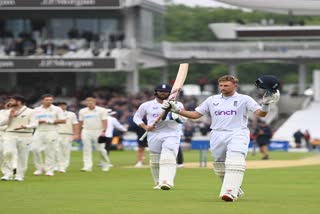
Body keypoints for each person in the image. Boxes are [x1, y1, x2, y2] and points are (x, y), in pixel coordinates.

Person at [162, 75, 280, 201]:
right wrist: (177, 110)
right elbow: (195, 115)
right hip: (217, 134)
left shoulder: (244, 99)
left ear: (235, 86)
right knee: (219, 165)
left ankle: (229, 192)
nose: (223, 88)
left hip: (237, 132)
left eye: (226, 85)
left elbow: (260, 114)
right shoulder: (212, 100)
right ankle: (235, 188)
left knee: (235, 160)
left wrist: (266, 104)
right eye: (221, 85)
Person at [133, 83, 184, 190]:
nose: (163, 93)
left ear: (170, 93)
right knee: (155, 159)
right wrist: (145, 126)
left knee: (168, 156)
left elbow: (181, 120)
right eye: (160, 91)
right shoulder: (146, 105)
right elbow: (136, 118)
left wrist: (172, 111)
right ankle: (157, 182)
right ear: (156, 92)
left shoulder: (178, 105)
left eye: (165, 92)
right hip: (154, 134)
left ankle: (166, 181)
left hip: (172, 134)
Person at [30, 94, 66, 176]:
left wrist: (51, 121)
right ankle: (39, 168)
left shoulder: (57, 109)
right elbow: (32, 121)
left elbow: (63, 121)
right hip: (39, 131)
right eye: (47, 100)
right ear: (42, 101)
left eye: (50, 100)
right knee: (35, 149)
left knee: (50, 151)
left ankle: (49, 170)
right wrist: (40, 121)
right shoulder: (36, 110)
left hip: (51, 131)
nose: (49, 101)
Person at [0, 95, 34, 181]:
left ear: (19, 102)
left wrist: (25, 126)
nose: (9, 102)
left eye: (12, 100)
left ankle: (19, 175)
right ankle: (8, 174)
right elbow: (1, 123)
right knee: (7, 153)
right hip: (10, 134)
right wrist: (10, 117)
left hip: (25, 135)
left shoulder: (31, 111)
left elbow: (35, 124)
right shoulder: (8, 111)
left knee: (22, 156)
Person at [78, 97, 110, 172]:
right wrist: (79, 133)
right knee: (86, 149)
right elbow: (80, 122)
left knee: (101, 149)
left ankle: (105, 164)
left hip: (98, 131)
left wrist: (104, 131)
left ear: (95, 103)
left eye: (91, 102)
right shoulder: (82, 111)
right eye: (88, 102)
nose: (89, 104)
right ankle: (87, 166)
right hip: (86, 130)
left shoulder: (102, 110)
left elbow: (105, 121)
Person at [56, 102, 79, 173]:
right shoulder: (54, 114)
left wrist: (76, 134)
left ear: (66, 106)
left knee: (66, 151)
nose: (62, 107)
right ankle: (58, 166)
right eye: (60, 105)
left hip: (68, 134)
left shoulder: (71, 114)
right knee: (57, 151)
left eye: (64, 105)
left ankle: (64, 166)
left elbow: (75, 124)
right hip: (57, 134)